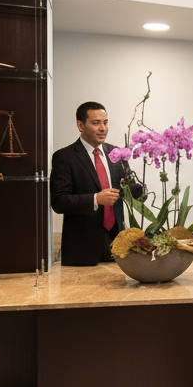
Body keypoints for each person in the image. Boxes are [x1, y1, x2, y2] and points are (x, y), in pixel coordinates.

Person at [50, 101, 130, 266]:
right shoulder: (64, 157)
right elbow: (59, 202)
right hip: (81, 250)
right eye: (96, 123)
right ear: (80, 125)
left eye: (105, 122)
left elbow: (132, 193)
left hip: (118, 246)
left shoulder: (116, 154)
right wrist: (95, 199)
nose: (103, 128)